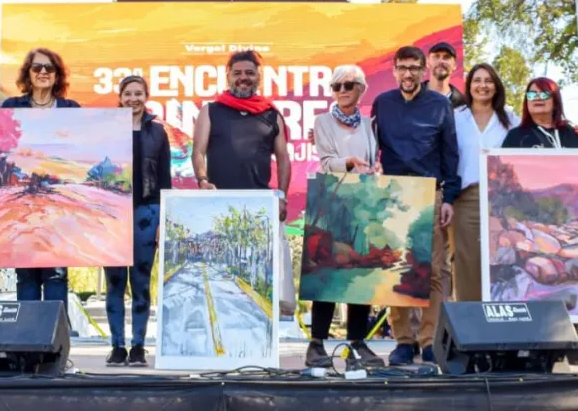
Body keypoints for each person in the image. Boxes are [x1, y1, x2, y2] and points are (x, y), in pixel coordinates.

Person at [191, 50, 294, 327]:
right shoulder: (211, 111)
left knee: (257, 279)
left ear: (258, 76)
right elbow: (198, 151)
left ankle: (256, 337)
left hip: (260, 208)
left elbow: (284, 159)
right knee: (221, 277)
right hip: (218, 207)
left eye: (249, 72)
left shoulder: (272, 116)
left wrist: (282, 196)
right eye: (237, 73)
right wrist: (202, 180)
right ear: (228, 76)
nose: (243, 78)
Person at [371, 45, 458, 366]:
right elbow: (368, 147)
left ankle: (430, 341)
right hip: (393, 193)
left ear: (424, 71)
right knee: (396, 269)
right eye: (402, 68)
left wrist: (449, 197)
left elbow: (450, 153)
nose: (408, 74)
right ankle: (404, 341)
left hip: (430, 193)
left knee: (434, 272)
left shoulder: (439, 105)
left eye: (414, 68)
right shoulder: (383, 104)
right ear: (394, 71)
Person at [501, 76, 578, 366]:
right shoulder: (517, 137)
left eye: (545, 93)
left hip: (570, 221)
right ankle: (535, 344)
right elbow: (504, 180)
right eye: (531, 94)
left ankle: (572, 340)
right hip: (532, 222)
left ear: (555, 99)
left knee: (573, 274)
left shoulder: (572, 136)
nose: (538, 98)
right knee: (537, 278)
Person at [306, 65, 384, 370]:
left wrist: (372, 172)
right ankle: (317, 344)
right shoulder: (322, 121)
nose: (341, 91)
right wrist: (348, 163)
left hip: (362, 201)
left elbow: (374, 159)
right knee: (327, 273)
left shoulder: (370, 125)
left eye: (348, 85)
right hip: (332, 198)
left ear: (361, 89)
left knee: (359, 273)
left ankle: (356, 343)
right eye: (336, 86)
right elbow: (326, 162)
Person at [1, 47, 79, 304]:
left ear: (58, 75)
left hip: (59, 204)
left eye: (49, 68)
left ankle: (56, 343)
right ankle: (28, 341)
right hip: (21, 202)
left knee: (56, 273)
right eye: (37, 68)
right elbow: (2, 152)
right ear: (28, 74)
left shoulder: (71, 110)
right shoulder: (11, 106)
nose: (43, 72)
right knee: (26, 274)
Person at [104, 75, 171, 367]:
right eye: (128, 93)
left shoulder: (158, 132)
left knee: (141, 284)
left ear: (146, 96)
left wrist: (162, 220)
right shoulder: (105, 130)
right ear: (120, 97)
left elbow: (165, 179)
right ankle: (117, 346)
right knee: (114, 283)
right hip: (112, 213)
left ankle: (139, 347)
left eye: (138, 93)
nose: (133, 98)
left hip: (147, 212)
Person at [451, 64, 519, 302]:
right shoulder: (456, 117)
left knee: (500, 258)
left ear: (496, 86)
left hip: (500, 200)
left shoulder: (510, 118)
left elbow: (527, 149)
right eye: (477, 80)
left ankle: (500, 319)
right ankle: (470, 319)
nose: (483, 85)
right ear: (469, 86)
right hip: (466, 198)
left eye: (488, 81)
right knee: (466, 259)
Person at [422, 42, 465, 109]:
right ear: (427, 62)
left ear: (454, 65)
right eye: (436, 56)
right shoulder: (412, 96)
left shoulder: (463, 104)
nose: (441, 61)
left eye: (446, 57)